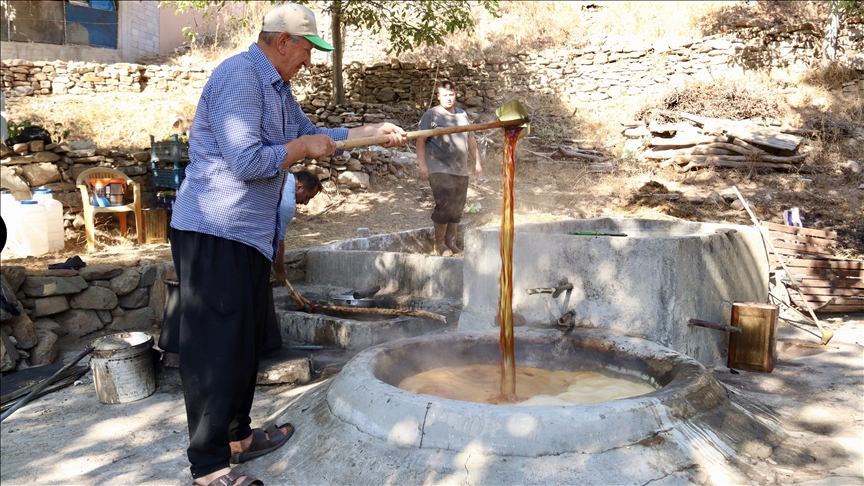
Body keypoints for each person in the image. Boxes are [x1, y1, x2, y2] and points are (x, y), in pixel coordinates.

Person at [167, 3, 406, 485]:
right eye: (307, 49)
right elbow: (246, 162)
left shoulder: (278, 88)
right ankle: (209, 469)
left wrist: (370, 134)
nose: (310, 61)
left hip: (249, 235)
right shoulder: (239, 77)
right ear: (282, 42)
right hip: (214, 229)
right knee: (216, 347)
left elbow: (315, 135)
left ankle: (238, 436)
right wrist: (300, 151)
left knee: (245, 342)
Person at [416, 80, 483, 256]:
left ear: (455, 95)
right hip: (438, 167)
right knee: (444, 204)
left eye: (451, 95)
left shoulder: (462, 115)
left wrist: (477, 162)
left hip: (460, 169)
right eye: (444, 95)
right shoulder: (431, 115)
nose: (448, 98)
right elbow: (420, 140)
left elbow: (471, 140)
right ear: (438, 96)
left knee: (457, 207)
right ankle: (439, 245)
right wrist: (422, 165)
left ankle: (451, 242)